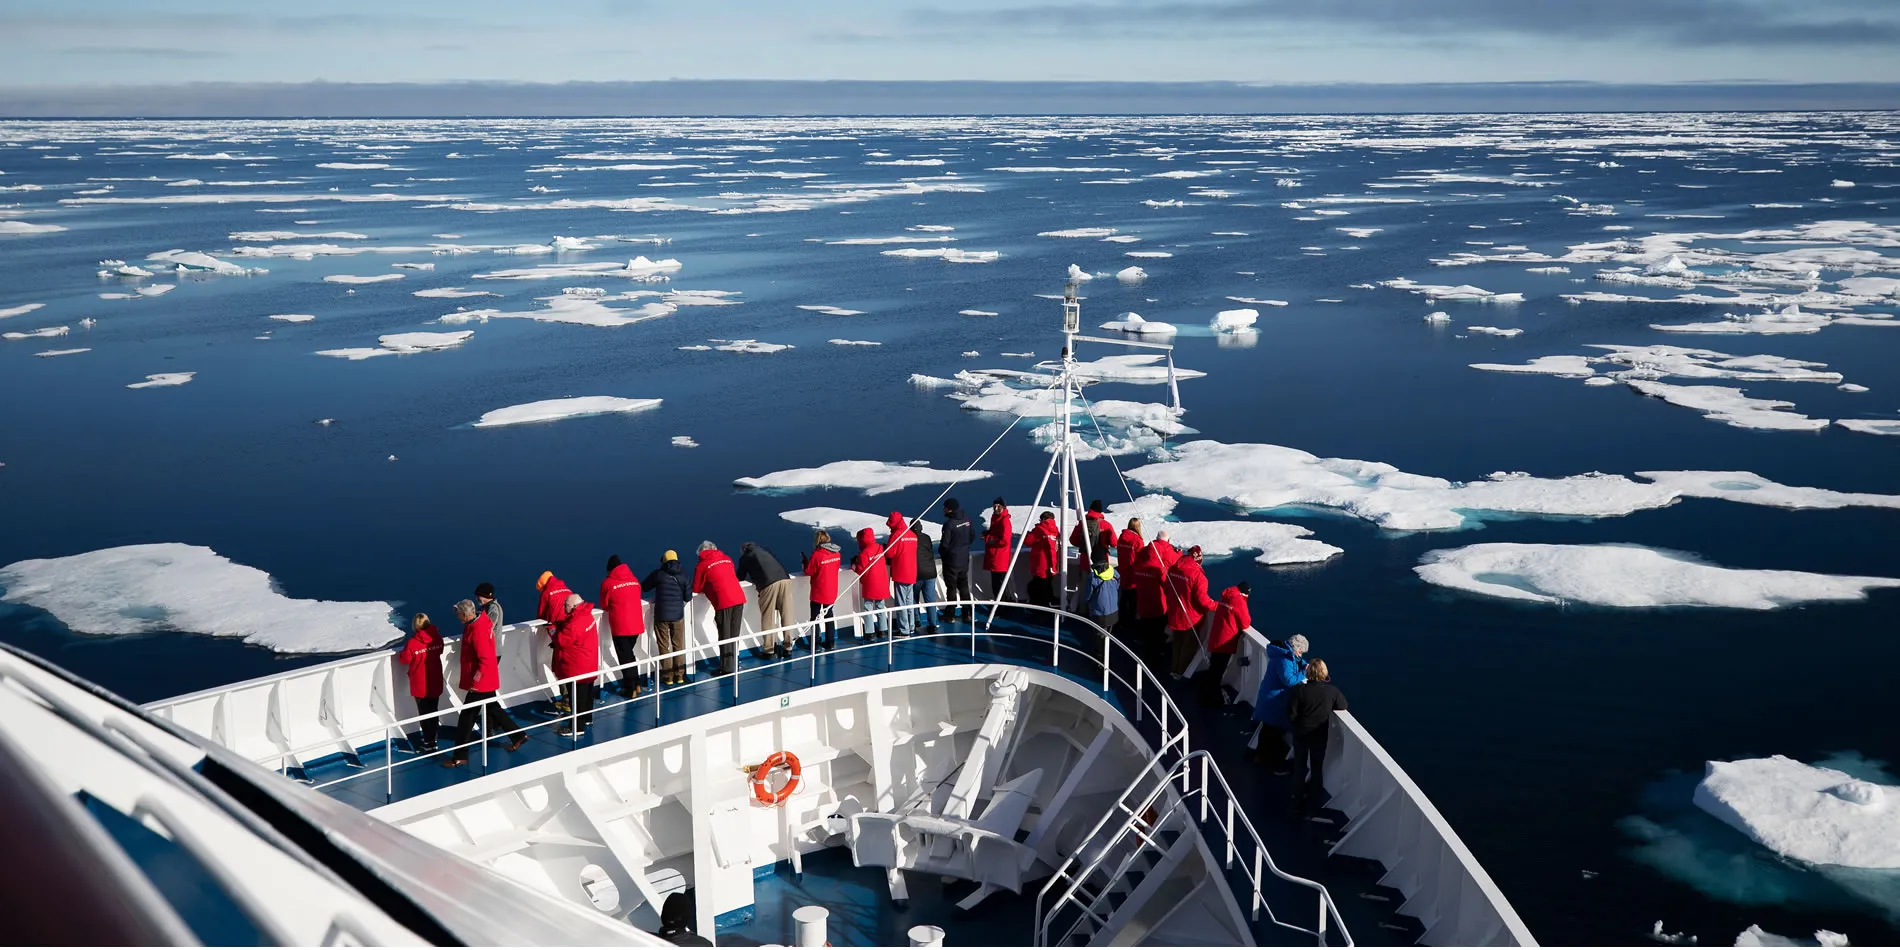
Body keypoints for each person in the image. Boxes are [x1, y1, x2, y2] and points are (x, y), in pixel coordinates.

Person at [444, 599, 526, 767]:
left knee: (466, 719)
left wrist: (476, 680)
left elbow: (485, 659)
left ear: (466, 614)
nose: (457, 616)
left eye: (458, 613)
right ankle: (518, 735)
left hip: (481, 683)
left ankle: (460, 756)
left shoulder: (478, 631)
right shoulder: (481, 623)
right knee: (494, 708)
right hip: (488, 679)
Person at [1285, 658, 1348, 810]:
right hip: (1319, 735)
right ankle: (1314, 801)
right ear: (1324, 673)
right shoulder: (1332, 691)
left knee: (1299, 767)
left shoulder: (1299, 690)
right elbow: (1343, 705)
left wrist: (1297, 724)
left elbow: (1291, 713)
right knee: (1317, 768)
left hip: (1301, 733)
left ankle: (1297, 799)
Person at [1252, 634, 1309, 770]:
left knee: (1269, 728)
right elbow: (1288, 680)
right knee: (1272, 730)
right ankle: (1268, 761)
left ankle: (1261, 756)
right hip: (1275, 700)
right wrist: (1303, 672)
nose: (1300, 655)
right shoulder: (1284, 660)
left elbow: (1296, 661)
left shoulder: (1284, 654)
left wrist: (1302, 663)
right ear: (1296, 649)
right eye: (1300, 652)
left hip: (1272, 698)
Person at [1165, 546, 1219, 678]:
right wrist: (1216, 605)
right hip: (1191, 617)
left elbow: (1167, 586)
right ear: (1199, 558)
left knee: (1177, 642)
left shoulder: (1173, 568)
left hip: (1174, 613)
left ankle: (1174, 668)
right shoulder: (1197, 575)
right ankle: (1180, 673)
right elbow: (1203, 600)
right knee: (1188, 646)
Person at [692, 541, 745, 675]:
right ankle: (734, 662)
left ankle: (726, 668)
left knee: (725, 635)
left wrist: (708, 587)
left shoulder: (702, 565)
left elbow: (696, 587)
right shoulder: (727, 559)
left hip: (723, 601)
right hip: (739, 597)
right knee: (734, 634)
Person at [550, 593, 599, 735]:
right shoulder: (586, 616)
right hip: (589, 662)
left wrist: (553, 630)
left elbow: (561, 641)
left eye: (566, 605)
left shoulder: (574, 624)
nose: (564, 607)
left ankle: (576, 727)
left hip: (577, 667)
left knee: (576, 698)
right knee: (587, 694)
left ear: (573, 607)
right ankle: (587, 718)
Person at [737, 542, 794, 659]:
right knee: (786, 614)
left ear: (744, 550)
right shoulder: (765, 550)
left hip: (768, 584)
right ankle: (788, 647)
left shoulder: (745, 558)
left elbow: (740, 577)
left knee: (768, 616)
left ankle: (769, 650)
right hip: (785, 579)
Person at [1200, 582, 1252, 707]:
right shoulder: (1238, 601)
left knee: (1214, 667)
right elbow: (1245, 622)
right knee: (1218, 670)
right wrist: (1244, 601)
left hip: (1217, 636)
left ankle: (1206, 693)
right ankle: (1212, 698)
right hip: (1225, 641)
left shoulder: (1227, 596)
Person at [397, 612, 444, 752]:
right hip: (434, 680)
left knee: (424, 713)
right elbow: (440, 650)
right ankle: (433, 739)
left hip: (420, 683)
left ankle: (428, 742)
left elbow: (404, 659)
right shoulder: (436, 637)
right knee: (434, 711)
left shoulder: (412, 643)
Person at [599, 556, 645, 698]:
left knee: (625, 658)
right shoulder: (634, 580)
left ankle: (630, 689)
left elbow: (604, 604)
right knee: (630, 654)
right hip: (636, 625)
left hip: (621, 626)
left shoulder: (608, 583)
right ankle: (637, 684)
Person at [644, 551, 691, 686]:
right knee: (678, 645)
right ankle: (680, 676)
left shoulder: (658, 575)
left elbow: (645, 587)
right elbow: (688, 597)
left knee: (664, 645)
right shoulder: (683, 576)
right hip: (678, 616)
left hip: (662, 616)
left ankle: (668, 677)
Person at [802, 530, 842, 650]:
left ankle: (815, 644)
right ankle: (830, 642)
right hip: (831, 590)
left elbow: (809, 571)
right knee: (829, 616)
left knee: (815, 617)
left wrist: (805, 563)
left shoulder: (817, 555)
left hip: (818, 591)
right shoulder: (836, 554)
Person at [938, 499, 973, 623]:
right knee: (963, 586)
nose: (943, 509)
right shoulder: (967, 519)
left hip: (951, 562)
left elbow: (944, 545)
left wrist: (943, 553)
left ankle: (950, 614)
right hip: (964, 559)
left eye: (945, 507)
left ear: (950, 509)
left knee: (951, 587)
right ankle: (967, 612)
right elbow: (972, 536)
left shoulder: (949, 524)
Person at [852, 527, 892, 639]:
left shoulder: (864, 554)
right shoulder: (880, 548)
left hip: (870, 584)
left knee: (868, 607)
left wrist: (854, 566)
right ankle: (883, 630)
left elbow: (861, 570)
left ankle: (870, 632)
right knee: (880, 606)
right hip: (882, 582)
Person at [883, 512, 919, 637]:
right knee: (909, 601)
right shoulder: (912, 535)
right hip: (912, 572)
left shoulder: (896, 535)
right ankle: (912, 626)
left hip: (901, 572)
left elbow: (890, 554)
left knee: (901, 603)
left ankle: (904, 630)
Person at [1027, 511, 1062, 610]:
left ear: (1043, 519)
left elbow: (1028, 541)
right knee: (1047, 584)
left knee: (1037, 586)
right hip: (1051, 564)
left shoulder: (1039, 530)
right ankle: (1049, 601)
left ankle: (1041, 608)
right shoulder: (1055, 530)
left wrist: (1028, 534)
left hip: (1040, 563)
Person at [911, 519, 940, 635]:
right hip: (930, 572)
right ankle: (932, 624)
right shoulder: (927, 538)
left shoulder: (910, 539)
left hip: (916, 573)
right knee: (930, 600)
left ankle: (916, 620)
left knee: (914, 598)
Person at [982, 498, 1013, 602]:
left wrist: (988, 538)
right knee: (997, 584)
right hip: (995, 557)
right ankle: (1004, 604)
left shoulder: (1004, 521)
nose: (996, 508)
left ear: (1004, 507)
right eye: (994, 506)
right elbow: (996, 533)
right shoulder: (995, 518)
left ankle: (1002, 607)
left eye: (998, 506)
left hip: (1000, 559)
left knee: (999, 585)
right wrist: (987, 533)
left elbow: (1005, 540)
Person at [1115, 518, 1144, 632]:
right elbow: (1141, 558)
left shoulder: (1122, 537)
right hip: (1133, 573)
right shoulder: (1137, 541)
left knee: (1123, 597)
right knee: (1132, 600)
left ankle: (1121, 620)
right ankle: (1130, 623)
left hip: (1122, 570)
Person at [1084, 554, 1119, 635]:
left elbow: (1087, 596)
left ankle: (1100, 647)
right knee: (1109, 634)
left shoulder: (1093, 577)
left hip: (1099, 613)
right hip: (1113, 612)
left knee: (1099, 636)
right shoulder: (1115, 573)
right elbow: (1117, 586)